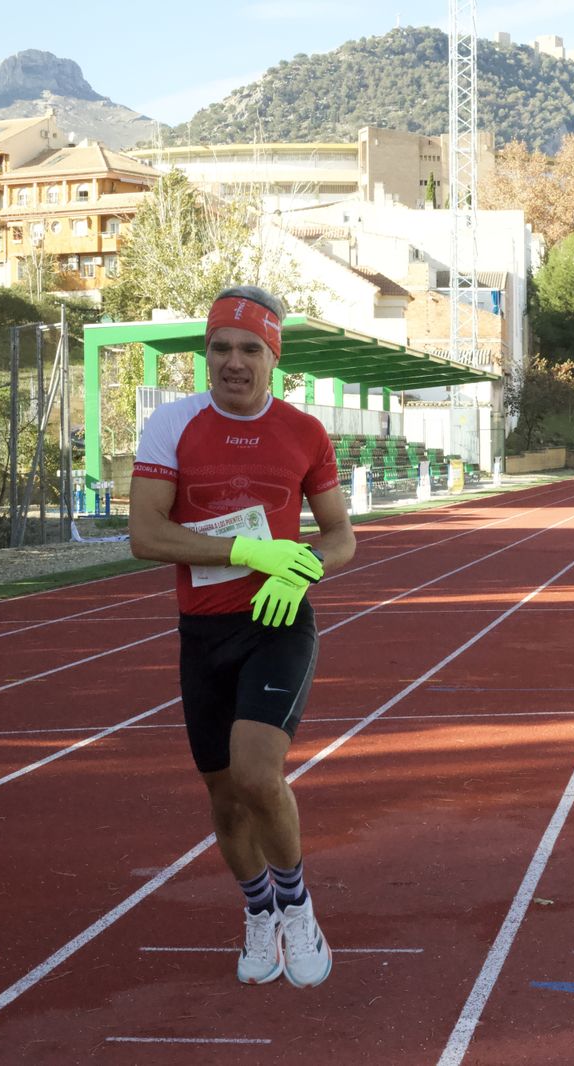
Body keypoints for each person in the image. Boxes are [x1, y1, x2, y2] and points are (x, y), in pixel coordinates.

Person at [130, 285, 356, 989]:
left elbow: (341, 535)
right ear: (207, 353)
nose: (234, 361)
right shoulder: (172, 424)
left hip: (277, 623)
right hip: (203, 631)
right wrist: (245, 551)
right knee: (226, 797)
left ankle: (297, 907)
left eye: (250, 349)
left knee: (259, 774)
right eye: (220, 347)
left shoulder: (304, 431)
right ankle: (260, 911)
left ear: (273, 357)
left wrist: (306, 566)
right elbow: (145, 534)